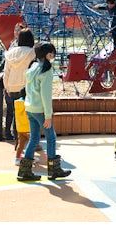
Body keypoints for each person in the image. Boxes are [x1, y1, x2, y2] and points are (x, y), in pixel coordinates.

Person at [17, 42, 71, 182]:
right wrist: (48, 115)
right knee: (51, 137)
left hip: (30, 108)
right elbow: (46, 95)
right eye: (51, 53)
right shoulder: (46, 70)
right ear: (46, 54)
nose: (53, 55)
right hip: (40, 110)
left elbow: (29, 90)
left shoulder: (33, 67)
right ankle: (54, 170)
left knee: (34, 138)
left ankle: (24, 171)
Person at [2, 29, 36, 141]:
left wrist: (6, 87)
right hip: (25, 86)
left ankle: (10, 134)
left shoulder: (10, 53)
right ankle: (22, 138)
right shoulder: (32, 53)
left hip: (11, 86)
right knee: (25, 114)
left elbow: (6, 72)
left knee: (12, 112)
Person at [13, 98, 30, 165]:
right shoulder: (28, 103)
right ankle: (30, 157)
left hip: (20, 127)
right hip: (27, 127)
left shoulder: (17, 103)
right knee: (33, 143)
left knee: (21, 144)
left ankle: (17, 159)